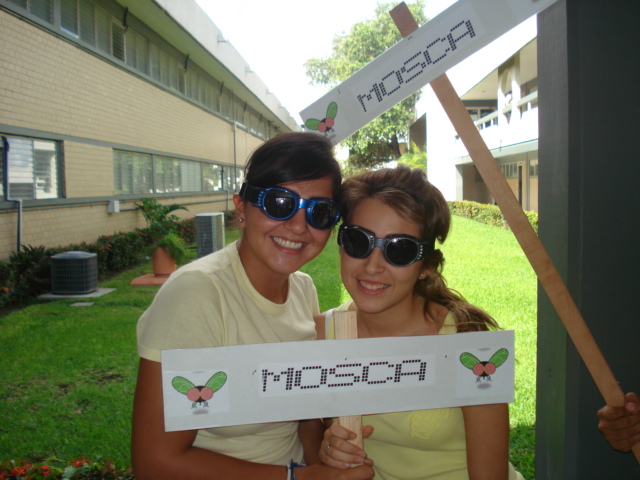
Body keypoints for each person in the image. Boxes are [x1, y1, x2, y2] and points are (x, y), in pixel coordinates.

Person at [131, 132, 374, 480]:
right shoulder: (197, 293)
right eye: (279, 203)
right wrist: (300, 478)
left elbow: (303, 417)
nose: (298, 226)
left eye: (319, 212)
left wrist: (325, 459)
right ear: (242, 208)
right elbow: (156, 464)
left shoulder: (302, 289)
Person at [315, 165, 523, 480]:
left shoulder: (469, 342)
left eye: (400, 250)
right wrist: (329, 451)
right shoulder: (319, 336)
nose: (372, 266)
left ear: (426, 266)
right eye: (358, 241)